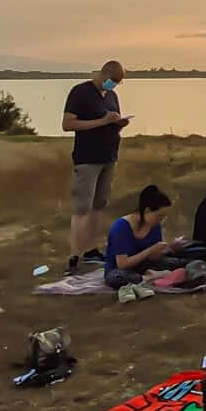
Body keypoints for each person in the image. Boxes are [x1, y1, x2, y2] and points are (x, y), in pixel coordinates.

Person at [62, 60, 130, 270]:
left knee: (98, 206)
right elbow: (67, 124)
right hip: (87, 159)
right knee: (82, 207)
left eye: (117, 83)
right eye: (112, 81)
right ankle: (74, 256)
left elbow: (111, 122)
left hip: (108, 156)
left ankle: (91, 250)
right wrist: (101, 121)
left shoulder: (111, 96)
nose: (114, 86)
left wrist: (118, 124)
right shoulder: (80, 92)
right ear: (103, 74)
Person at [101, 184, 191, 297]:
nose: (161, 220)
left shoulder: (154, 226)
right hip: (120, 270)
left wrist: (167, 249)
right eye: (159, 216)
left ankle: (154, 275)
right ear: (147, 210)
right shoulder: (121, 227)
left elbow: (153, 258)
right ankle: (152, 277)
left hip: (145, 265)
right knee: (115, 278)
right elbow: (122, 264)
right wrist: (150, 250)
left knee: (179, 263)